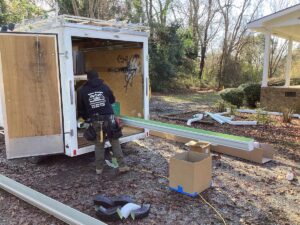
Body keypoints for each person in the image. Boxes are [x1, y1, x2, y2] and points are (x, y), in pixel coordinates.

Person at [77, 70, 129, 174]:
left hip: (96, 120)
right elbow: (112, 100)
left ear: (88, 78)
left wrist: (86, 117)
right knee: (114, 142)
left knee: (99, 144)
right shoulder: (104, 87)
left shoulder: (82, 90)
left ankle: (99, 169)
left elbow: (81, 108)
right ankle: (122, 166)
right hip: (109, 119)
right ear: (98, 77)